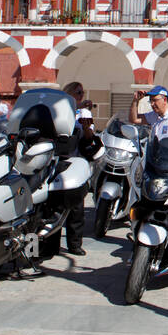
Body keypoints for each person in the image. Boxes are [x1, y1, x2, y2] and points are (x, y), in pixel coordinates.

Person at [59, 81, 92, 256]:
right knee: (50, 206)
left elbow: (89, 136)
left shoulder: (84, 112)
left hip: (75, 161)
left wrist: (86, 127)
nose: (81, 95)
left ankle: (74, 244)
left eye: (82, 93)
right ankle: (42, 247)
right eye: (78, 92)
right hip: (57, 159)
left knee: (76, 207)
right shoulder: (58, 108)